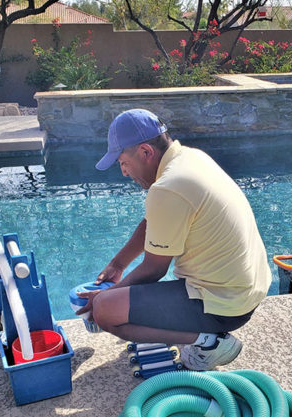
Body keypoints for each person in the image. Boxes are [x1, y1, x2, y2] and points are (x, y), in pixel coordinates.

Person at [76, 109, 271, 370]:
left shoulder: (168, 187)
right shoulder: (191, 158)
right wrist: (118, 265)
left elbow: (154, 270)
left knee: (105, 312)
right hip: (244, 291)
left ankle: (210, 343)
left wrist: (103, 298)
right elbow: (153, 224)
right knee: (120, 300)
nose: (123, 172)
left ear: (145, 152)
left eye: (123, 162)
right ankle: (196, 332)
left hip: (225, 305)